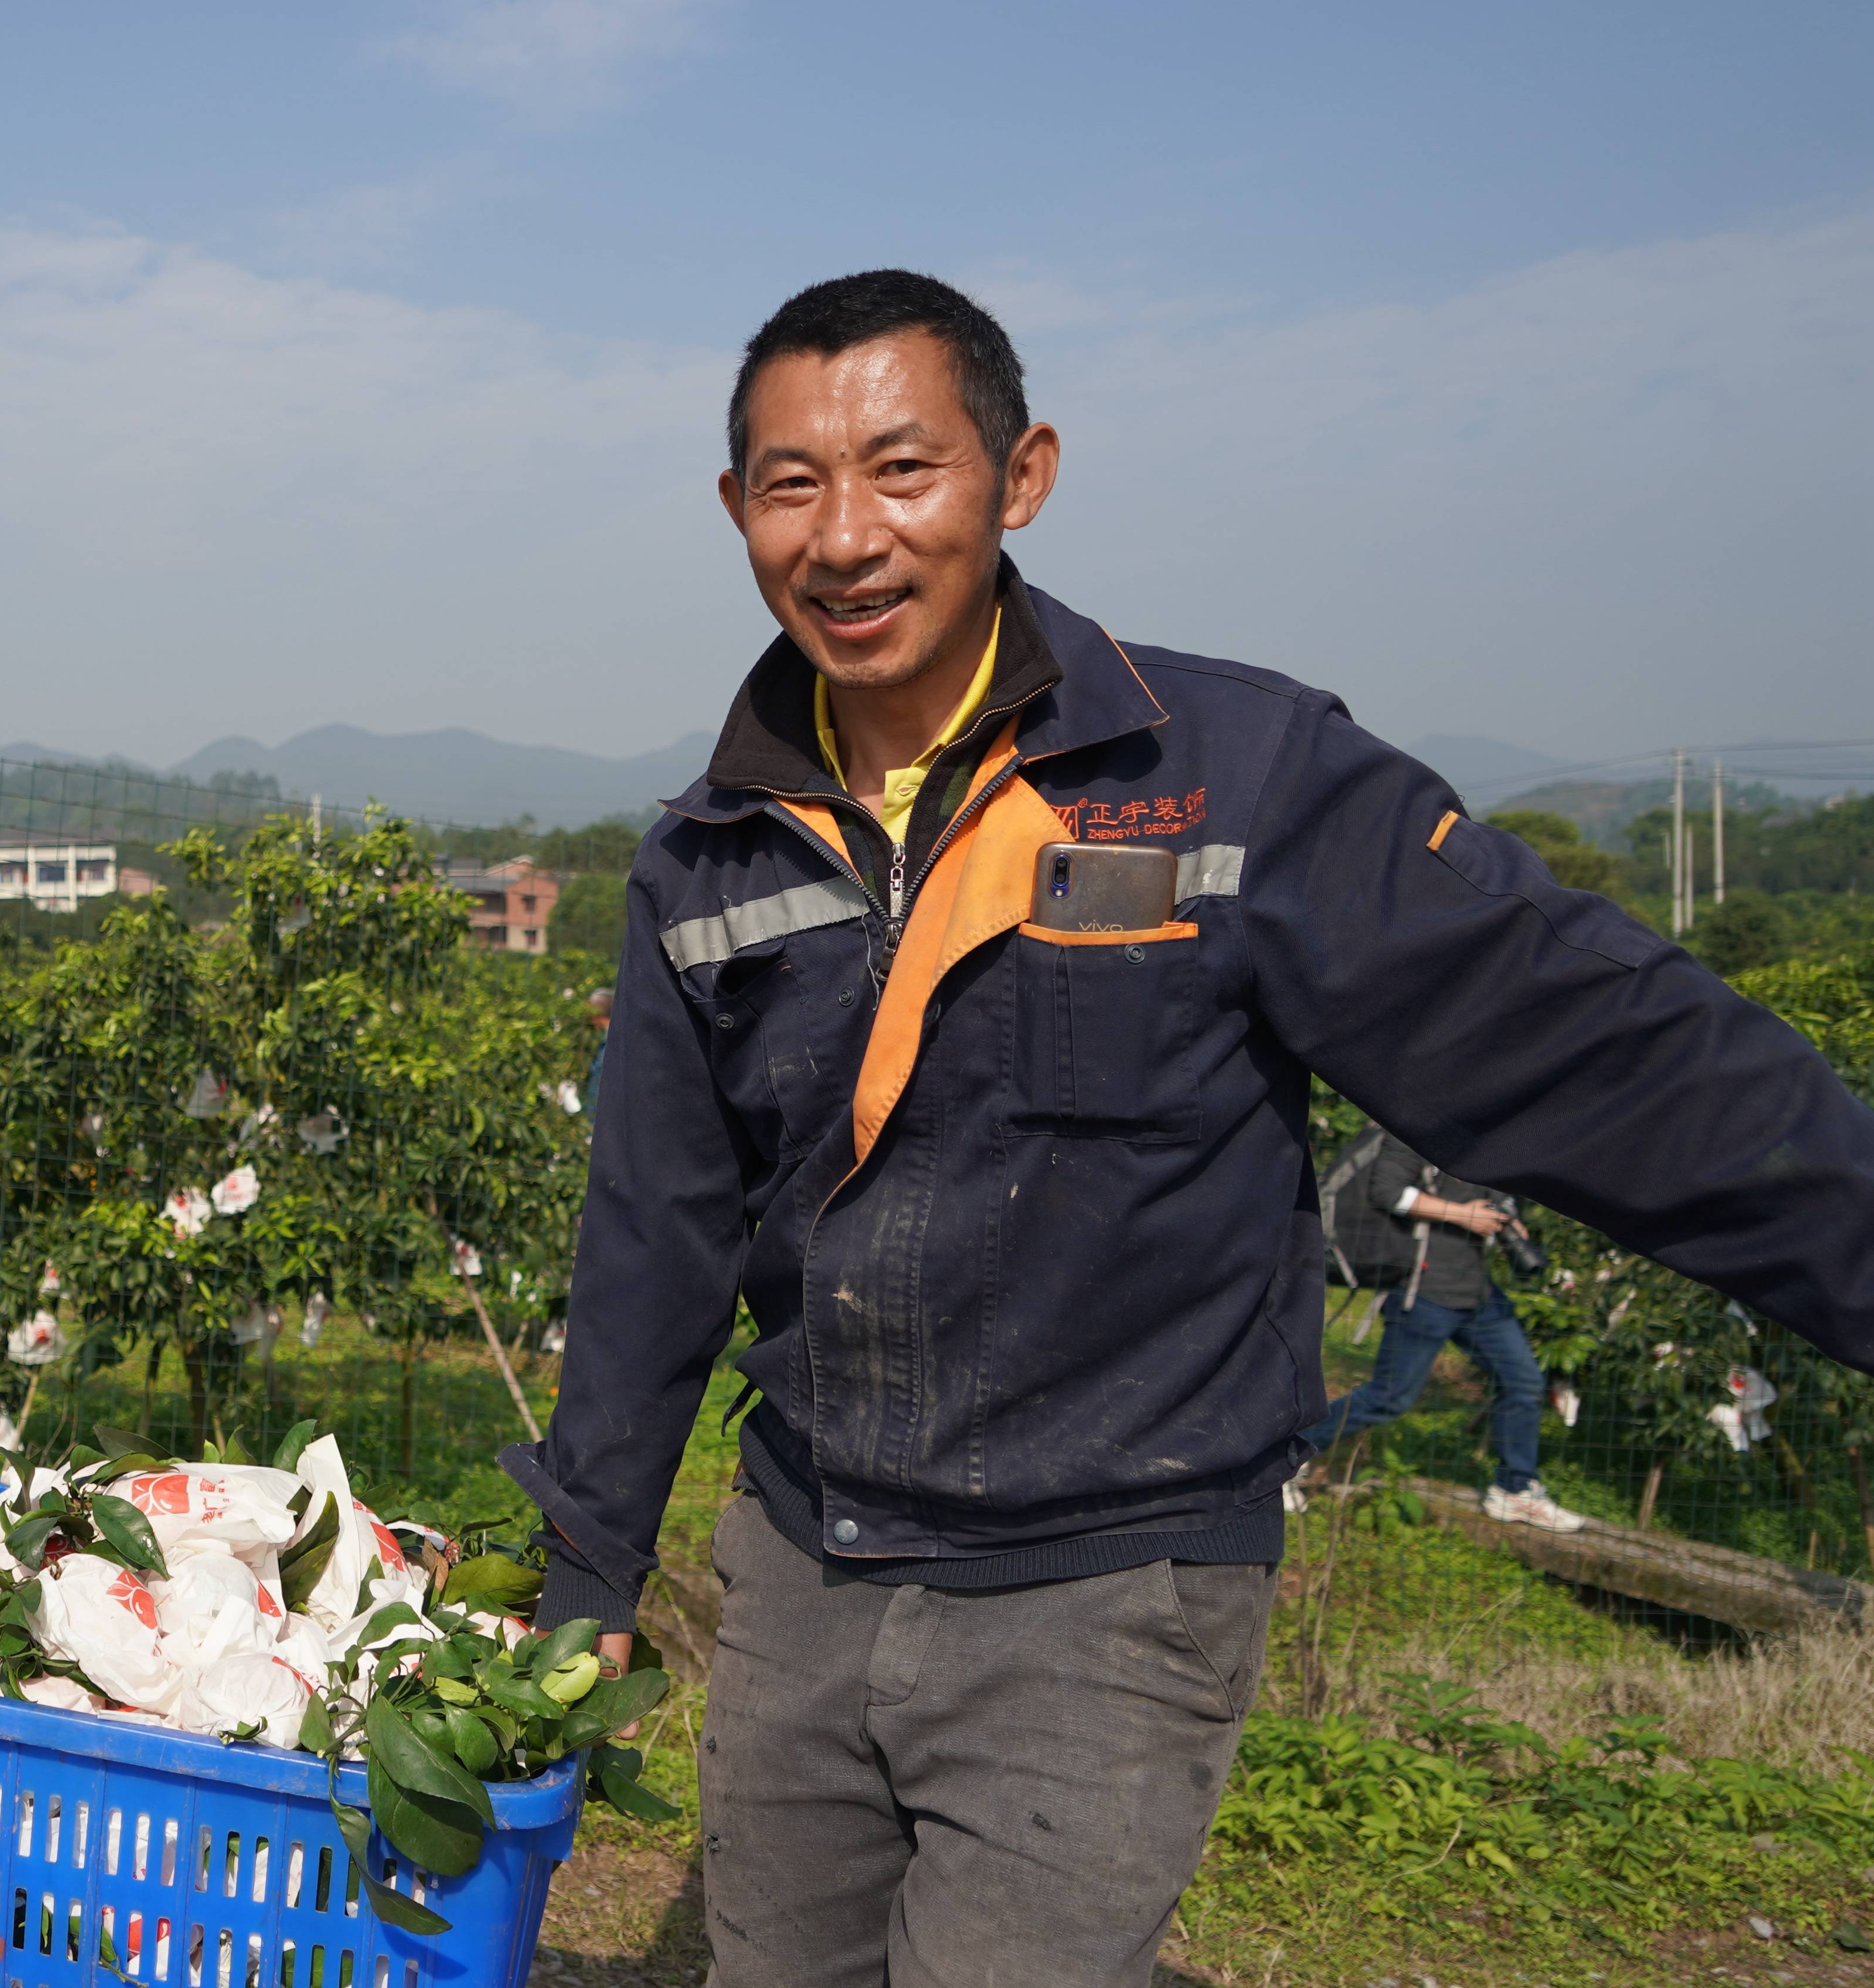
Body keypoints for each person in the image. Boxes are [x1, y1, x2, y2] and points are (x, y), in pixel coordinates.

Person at [503, 270, 1874, 1987]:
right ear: (733, 510)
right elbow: (654, 1230)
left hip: (1106, 1577)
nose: (843, 536)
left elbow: (1599, 1054)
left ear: (1021, 476)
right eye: (791, 484)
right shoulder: (706, 858)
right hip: (805, 1558)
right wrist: (586, 1562)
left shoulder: (1225, 782)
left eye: (900, 468)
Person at [1307, 1128, 1582, 1531]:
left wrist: (1512, 1225)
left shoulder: (1490, 1139)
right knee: (1390, 1398)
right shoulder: (1415, 1129)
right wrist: (1463, 1215)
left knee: (1523, 1382)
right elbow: (1388, 1192)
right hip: (1424, 1292)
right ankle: (1287, 1457)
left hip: (1480, 1295)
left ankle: (1515, 1491)